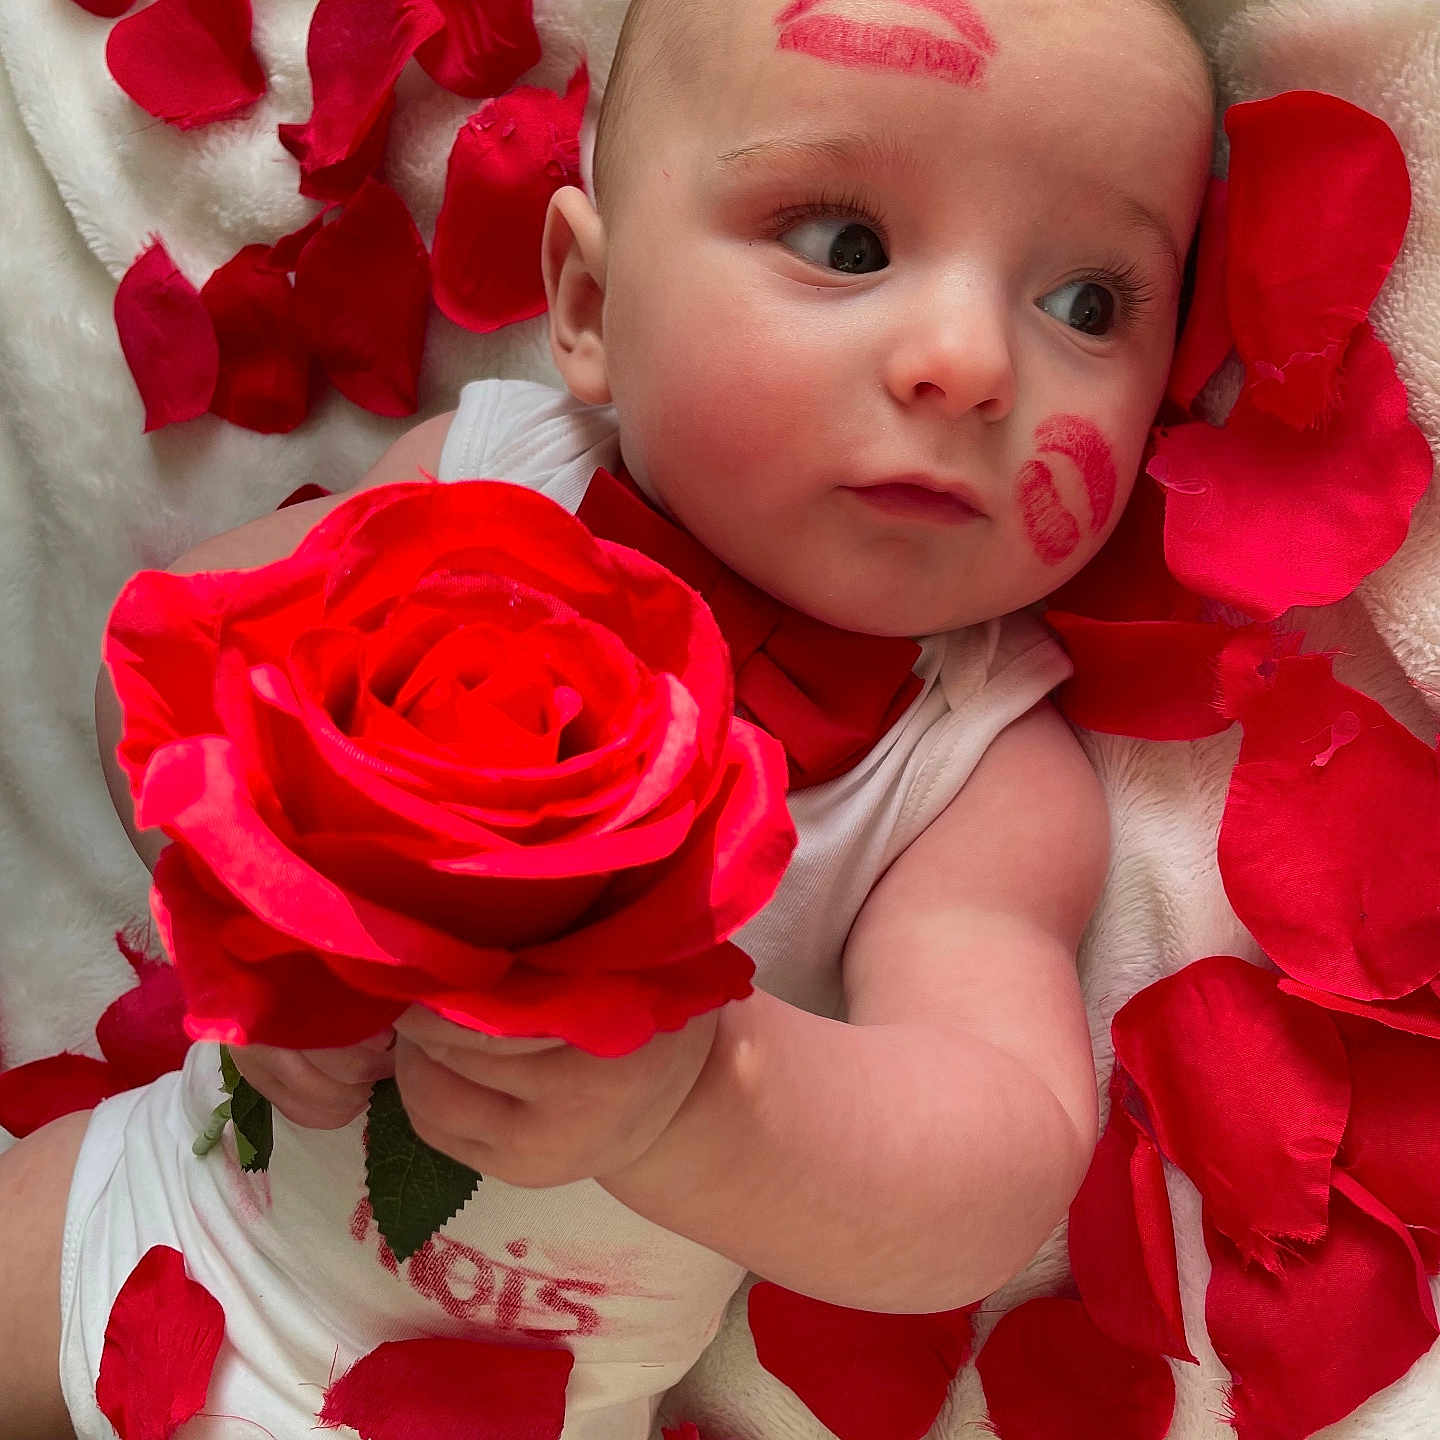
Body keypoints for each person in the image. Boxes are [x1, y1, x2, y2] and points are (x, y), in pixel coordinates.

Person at [0, 0, 1214, 1434]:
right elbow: (156, 675)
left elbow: (993, 1171)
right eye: (847, 244)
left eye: (1086, 302)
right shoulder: (484, 484)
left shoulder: (972, 768)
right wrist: (253, 919)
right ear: (585, 305)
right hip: (165, 1207)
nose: (968, 359)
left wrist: (708, 1101)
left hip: (518, 1397)